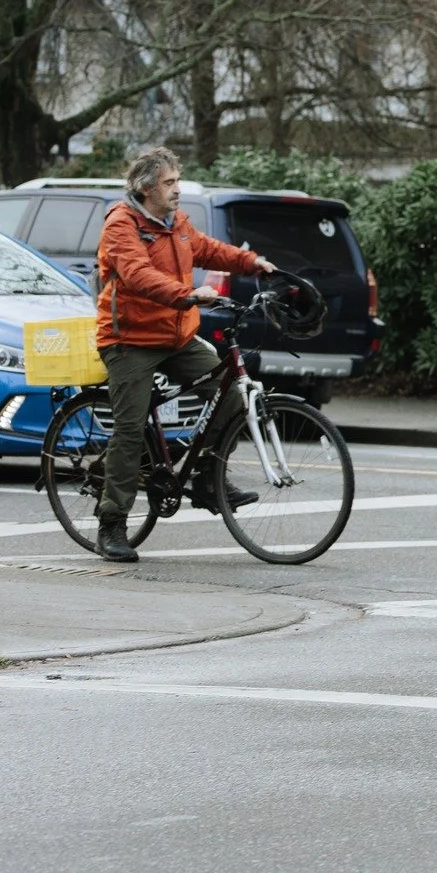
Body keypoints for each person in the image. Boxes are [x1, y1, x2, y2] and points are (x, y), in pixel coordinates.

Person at [89, 147, 276, 563]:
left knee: (230, 392)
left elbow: (207, 249)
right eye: (169, 182)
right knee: (130, 428)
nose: (177, 189)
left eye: (177, 180)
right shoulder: (122, 225)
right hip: (129, 340)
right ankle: (112, 524)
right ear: (146, 187)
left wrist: (252, 262)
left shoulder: (177, 222)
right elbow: (137, 274)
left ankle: (209, 478)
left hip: (175, 336)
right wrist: (187, 294)